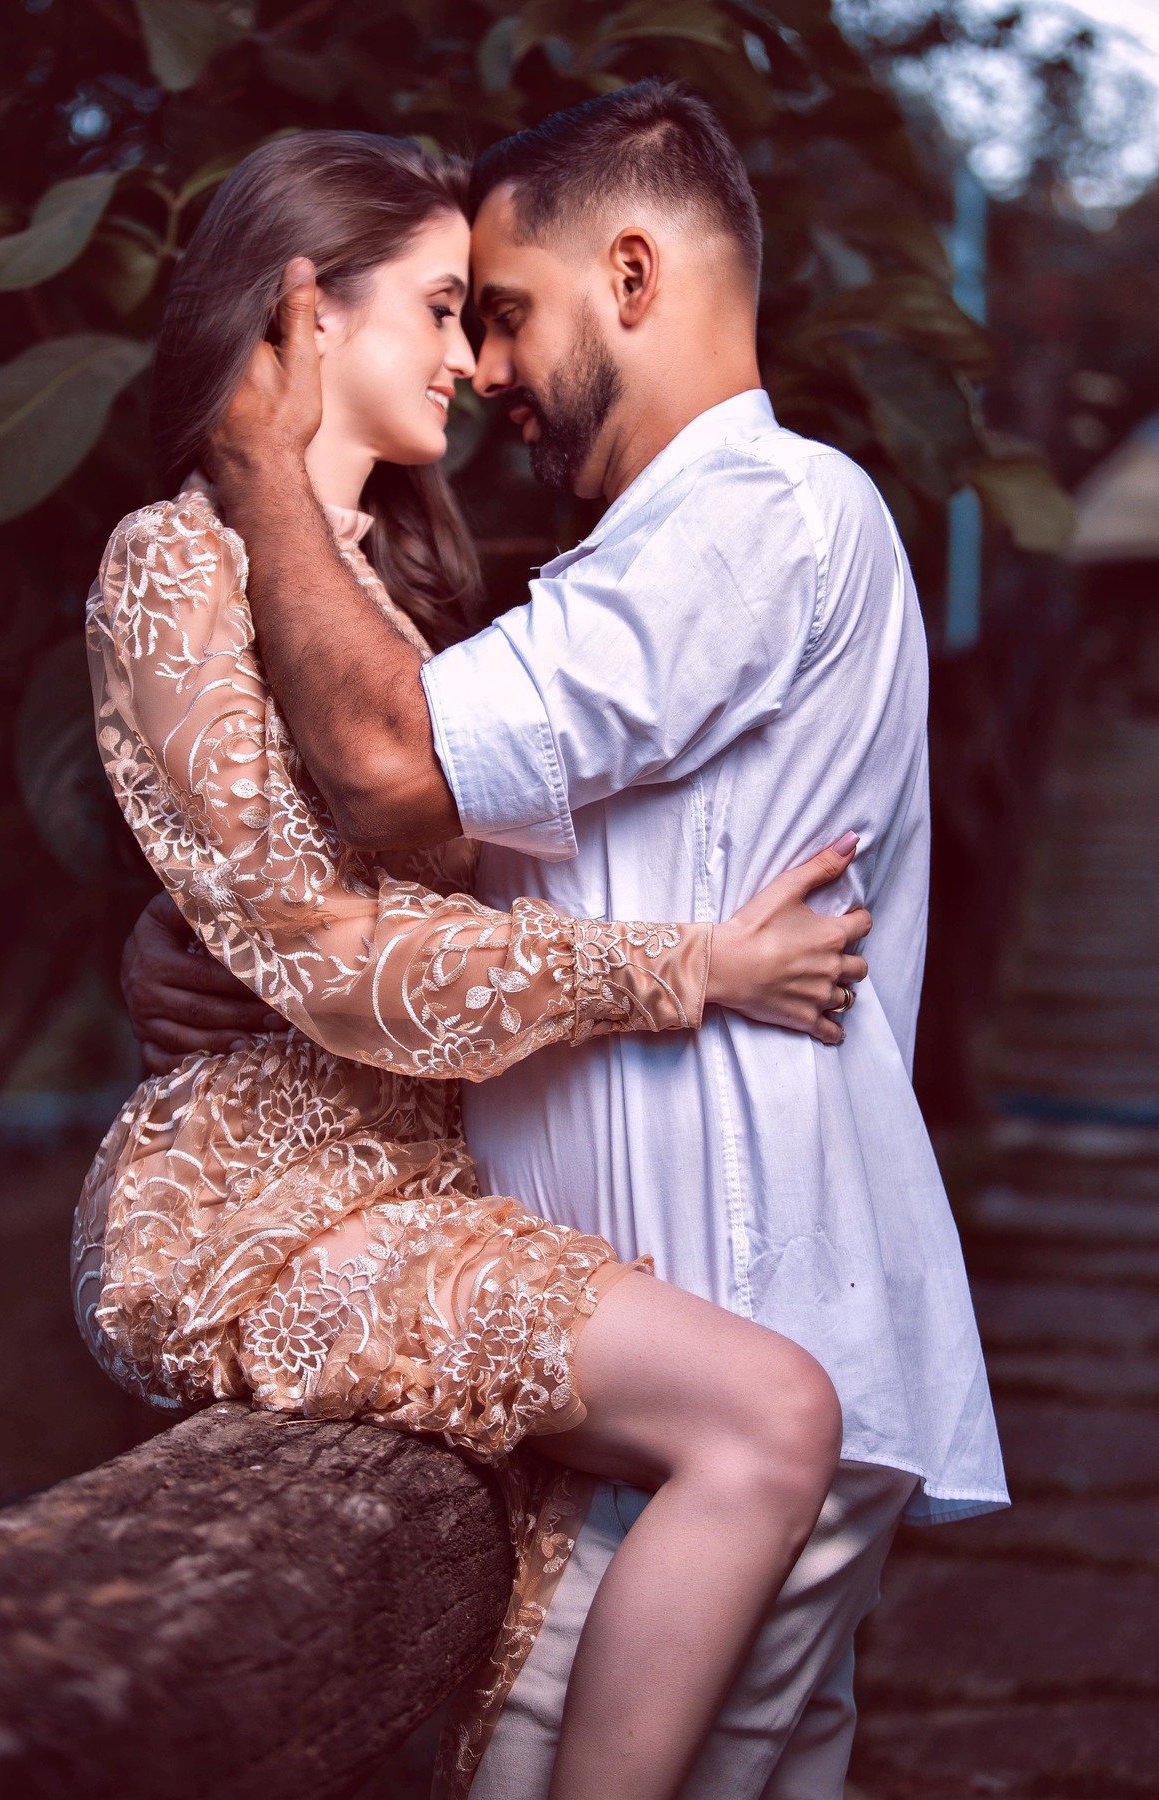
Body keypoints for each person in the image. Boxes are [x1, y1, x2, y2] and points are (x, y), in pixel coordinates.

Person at [151, 80, 1008, 1800]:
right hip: (677, 1375)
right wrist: (221, 946)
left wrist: (253, 463)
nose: (483, 370)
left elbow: (389, 765)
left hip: (726, 1376)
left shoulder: (760, 514)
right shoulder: (653, 564)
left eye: (507, 312)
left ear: (631, 275)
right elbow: (442, 891)